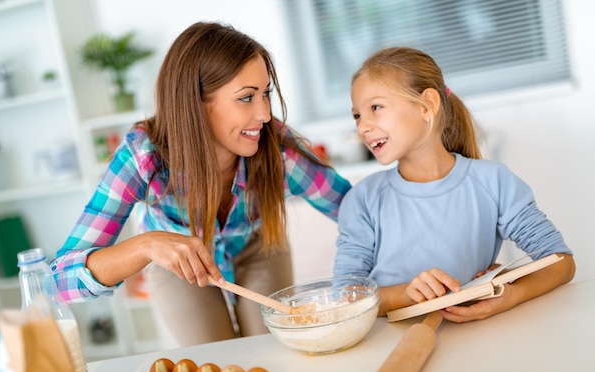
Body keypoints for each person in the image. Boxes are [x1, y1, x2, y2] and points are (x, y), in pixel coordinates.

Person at [51, 22, 351, 346]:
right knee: (219, 364)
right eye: (247, 97)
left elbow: (356, 211)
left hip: (256, 247)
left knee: (271, 351)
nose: (265, 113)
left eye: (265, 94)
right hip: (177, 263)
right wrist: (146, 245)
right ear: (196, 103)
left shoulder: (275, 146)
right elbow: (60, 280)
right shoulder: (143, 156)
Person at [333, 46, 575, 323]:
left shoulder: (493, 182)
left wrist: (511, 295)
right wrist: (407, 294)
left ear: (426, 105)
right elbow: (344, 299)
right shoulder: (362, 199)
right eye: (357, 115)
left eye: (375, 108)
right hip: (389, 344)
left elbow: (561, 263)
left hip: (477, 339)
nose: (362, 126)